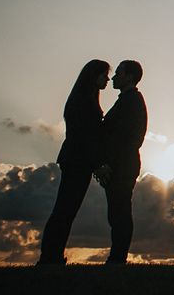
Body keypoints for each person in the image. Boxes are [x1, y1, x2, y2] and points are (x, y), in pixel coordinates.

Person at [37, 59, 110, 265]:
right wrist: (97, 164)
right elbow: (84, 137)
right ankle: (50, 256)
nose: (107, 78)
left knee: (66, 210)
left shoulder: (85, 98)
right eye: (104, 74)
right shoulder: (83, 101)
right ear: (93, 75)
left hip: (77, 160)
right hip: (78, 160)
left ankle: (52, 255)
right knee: (65, 210)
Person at [96, 59, 147, 264]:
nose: (114, 77)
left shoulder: (132, 100)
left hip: (122, 166)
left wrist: (109, 163)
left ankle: (117, 258)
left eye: (118, 73)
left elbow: (126, 139)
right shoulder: (126, 100)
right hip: (120, 165)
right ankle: (117, 257)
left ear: (129, 76)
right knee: (117, 213)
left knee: (120, 213)